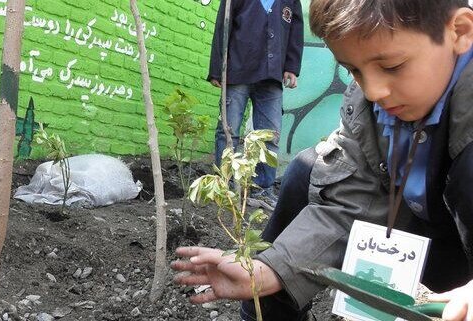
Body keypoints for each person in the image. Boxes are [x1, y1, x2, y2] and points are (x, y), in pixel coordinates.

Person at [173, 1, 473, 321]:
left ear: (459, 31)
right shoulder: (369, 104)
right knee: (307, 171)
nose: (372, 90)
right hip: (416, 231)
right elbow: (352, 198)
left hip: (460, 249)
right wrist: (271, 269)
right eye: (353, 70)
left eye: (392, 66)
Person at [208, 0, 304, 210]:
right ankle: (224, 187)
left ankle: (262, 188)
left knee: (269, 137)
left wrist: (291, 66)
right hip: (237, 70)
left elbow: (296, 31)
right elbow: (222, 27)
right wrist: (217, 68)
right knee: (228, 132)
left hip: (272, 75)